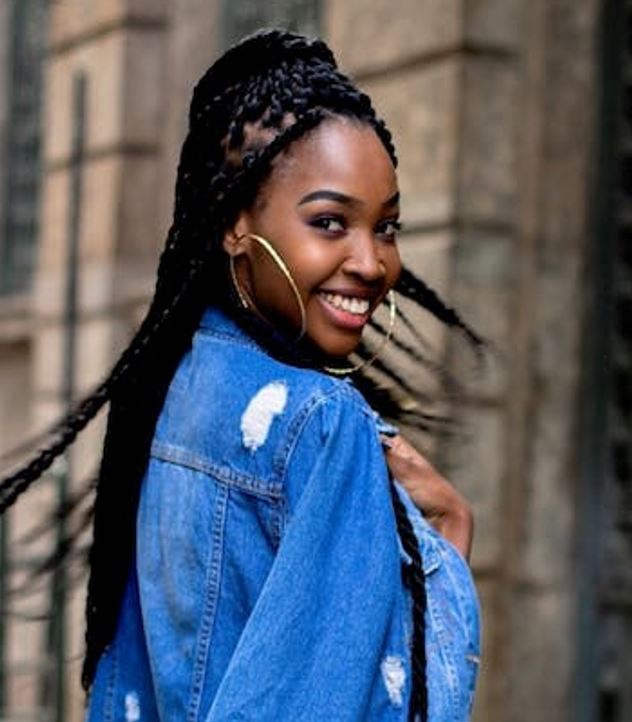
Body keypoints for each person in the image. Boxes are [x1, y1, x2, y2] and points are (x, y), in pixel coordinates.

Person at [0, 30, 481, 721]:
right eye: (329, 221)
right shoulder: (323, 423)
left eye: (386, 227)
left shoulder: (172, 383)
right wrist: (448, 560)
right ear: (234, 224)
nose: (372, 263)